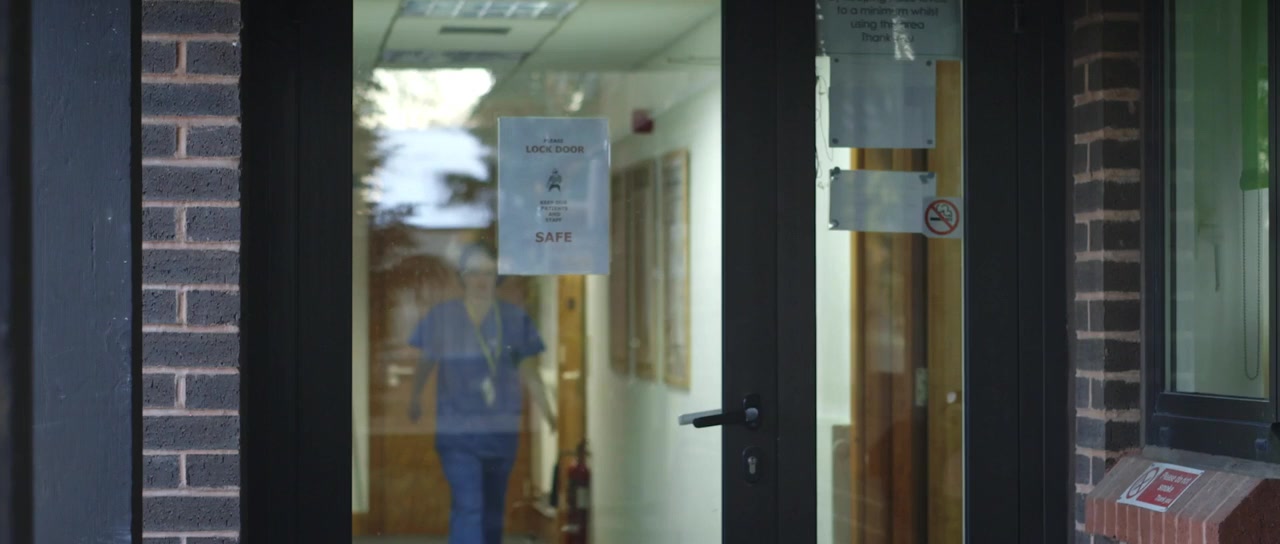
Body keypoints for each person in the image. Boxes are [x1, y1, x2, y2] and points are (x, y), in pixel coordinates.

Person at [407, 242, 557, 544]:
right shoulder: (444, 317)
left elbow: (529, 370)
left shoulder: (513, 319)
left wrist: (548, 412)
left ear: (497, 276)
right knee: (470, 505)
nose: (481, 279)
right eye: (473, 272)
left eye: (488, 272)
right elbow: (426, 362)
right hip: (458, 432)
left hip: (501, 430)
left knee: (492, 511)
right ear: (462, 277)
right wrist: (414, 397)